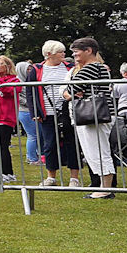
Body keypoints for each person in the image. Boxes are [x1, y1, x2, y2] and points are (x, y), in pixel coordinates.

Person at [63, 38, 116, 199]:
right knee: (96, 151)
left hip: (94, 116)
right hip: (97, 115)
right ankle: (103, 187)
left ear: (89, 50)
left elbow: (69, 91)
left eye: (76, 51)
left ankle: (105, 189)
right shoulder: (98, 67)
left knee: (98, 152)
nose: (74, 55)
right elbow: (71, 91)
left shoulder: (90, 68)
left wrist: (70, 93)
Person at [30, 41, 82, 186]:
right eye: (60, 52)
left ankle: (74, 178)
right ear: (49, 54)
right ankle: (51, 176)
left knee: (72, 142)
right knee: (50, 144)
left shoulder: (71, 68)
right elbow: (31, 92)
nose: (64, 55)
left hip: (68, 110)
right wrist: (35, 111)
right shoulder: (36, 69)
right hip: (47, 111)